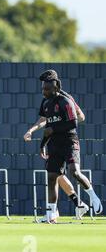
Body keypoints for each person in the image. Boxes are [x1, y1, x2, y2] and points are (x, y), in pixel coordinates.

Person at [25, 70, 90, 220]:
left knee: (60, 175)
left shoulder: (66, 98)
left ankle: (65, 209)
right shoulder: (47, 99)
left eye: (47, 81)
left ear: (54, 83)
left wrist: (61, 125)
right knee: (56, 175)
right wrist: (31, 130)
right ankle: (74, 206)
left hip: (66, 138)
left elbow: (80, 117)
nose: (43, 88)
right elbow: (43, 120)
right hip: (53, 141)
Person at [38, 76, 102, 223]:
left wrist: (52, 129)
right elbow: (47, 129)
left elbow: (73, 123)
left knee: (75, 172)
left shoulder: (65, 101)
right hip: (54, 145)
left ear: (55, 88)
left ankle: (93, 196)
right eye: (42, 88)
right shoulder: (45, 103)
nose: (44, 91)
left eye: (47, 89)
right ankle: (51, 214)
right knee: (52, 177)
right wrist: (42, 145)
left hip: (69, 142)